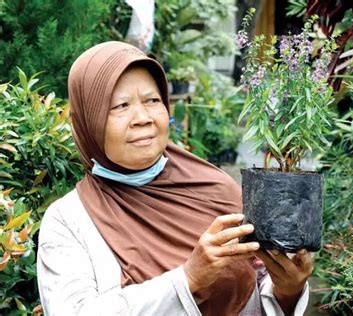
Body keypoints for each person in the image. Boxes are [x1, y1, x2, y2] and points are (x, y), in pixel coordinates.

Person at [37, 41, 313, 315]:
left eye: (152, 100)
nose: (142, 117)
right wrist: (188, 279)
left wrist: (286, 291)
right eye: (120, 106)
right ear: (88, 122)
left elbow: (252, 296)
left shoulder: (215, 189)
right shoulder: (69, 221)